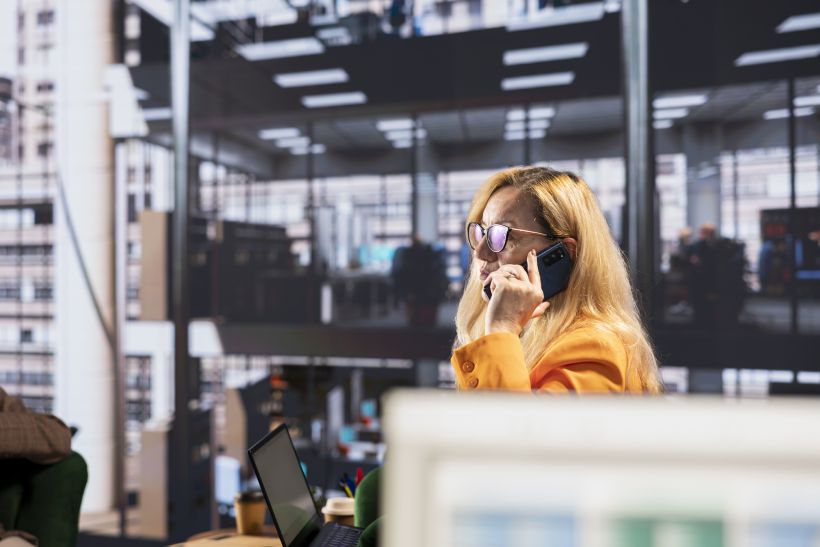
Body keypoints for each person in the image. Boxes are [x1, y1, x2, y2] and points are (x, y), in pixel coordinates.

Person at [451, 166, 662, 393]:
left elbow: (512, 426)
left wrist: (502, 329)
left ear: (564, 252)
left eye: (502, 235)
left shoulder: (595, 347)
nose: (480, 253)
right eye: (483, 232)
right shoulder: (526, 332)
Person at [390, 235, 449, 326]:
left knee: (417, 318)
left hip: (417, 291)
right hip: (427, 292)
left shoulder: (409, 256)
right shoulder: (430, 257)